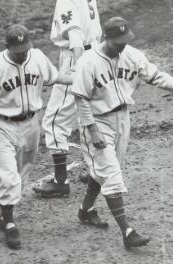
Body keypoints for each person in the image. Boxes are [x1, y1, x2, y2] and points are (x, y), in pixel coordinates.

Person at [70, 16, 173, 248]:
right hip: (97, 122)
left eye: (125, 39)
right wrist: (92, 130)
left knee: (105, 170)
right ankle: (127, 232)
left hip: (122, 119)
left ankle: (85, 210)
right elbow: (80, 98)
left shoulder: (132, 54)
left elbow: (154, 74)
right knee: (111, 174)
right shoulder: (88, 62)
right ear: (107, 38)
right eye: (118, 40)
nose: (122, 44)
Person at [0, 24, 73, 249]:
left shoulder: (37, 57)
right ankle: (10, 223)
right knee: (9, 176)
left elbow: (54, 77)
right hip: (1, 126)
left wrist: (78, 80)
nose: (22, 53)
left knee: (21, 172)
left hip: (31, 124)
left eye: (25, 48)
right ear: (7, 46)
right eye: (18, 49)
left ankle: (5, 215)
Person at [32, 0, 103, 197]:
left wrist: (78, 69)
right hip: (96, 53)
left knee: (55, 121)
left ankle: (60, 182)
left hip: (76, 57)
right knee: (88, 115)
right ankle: (96, 171)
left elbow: (75, 37)